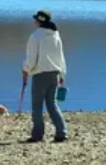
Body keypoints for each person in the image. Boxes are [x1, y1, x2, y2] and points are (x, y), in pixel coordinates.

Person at [21, 9, 68, 143]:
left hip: (40, 74)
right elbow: (61, 57)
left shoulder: (36, 36)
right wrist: (62, 74)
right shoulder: (56, 35)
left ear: (39, 21)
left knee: (37, 106)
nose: (34, 21)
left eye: (35, 19)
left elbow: (31, 58)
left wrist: (25, 69)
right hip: (55, 73)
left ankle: (37, 135)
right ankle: (61, 133)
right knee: (52, 104)